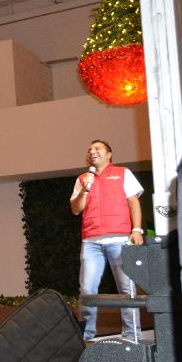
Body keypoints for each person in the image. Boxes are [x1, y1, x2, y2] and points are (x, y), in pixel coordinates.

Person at [70, 139, 144, 343]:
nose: (92, 151)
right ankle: (86, 335)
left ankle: (131, 335)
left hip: (119, 238)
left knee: (127, 289)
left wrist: (136, 229)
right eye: (89, 149)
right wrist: (85, 190)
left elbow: (133, 202)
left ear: (109, 154)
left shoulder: (123, 173)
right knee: (87, 290)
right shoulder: (83, 179)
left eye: (97, 148)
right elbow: (76, 209)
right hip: (91, 241)